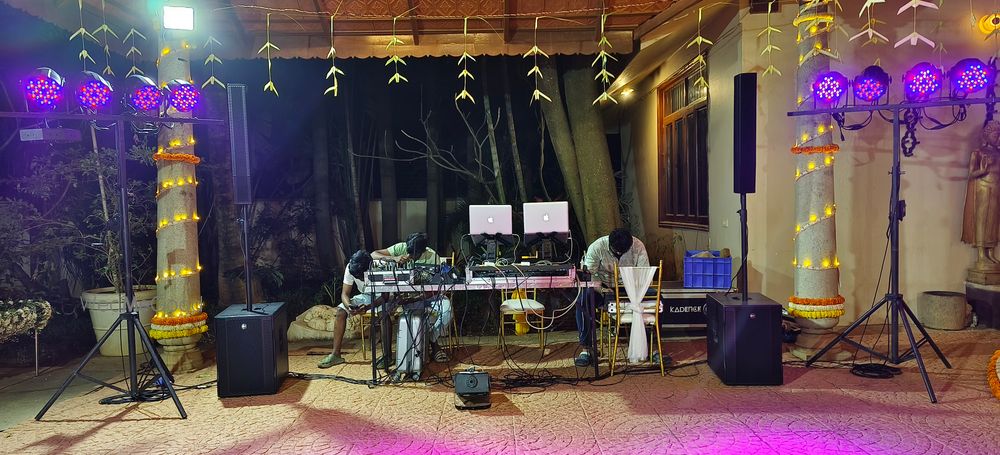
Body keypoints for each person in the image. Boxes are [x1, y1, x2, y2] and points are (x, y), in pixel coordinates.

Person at [372, 232, 453, 362]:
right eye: (409, 252)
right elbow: (374, 254)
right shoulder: (400, 248)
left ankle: (431, 339)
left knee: (447, 309)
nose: (410, 256)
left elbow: (437, 288)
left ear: (423, 251)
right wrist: (394, 258)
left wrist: (416, 298)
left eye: (414, 254)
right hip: (407, 297)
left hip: (429, 296)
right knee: (409, 313)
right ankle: (395, 355)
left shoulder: (432, 256)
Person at [574, 228, 649, 367]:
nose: (619, 254)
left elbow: (644, 273)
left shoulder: (638, 246)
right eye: (616, 252)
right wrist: (603, 289)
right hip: (603, 287)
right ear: (609, 244)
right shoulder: (597, 247)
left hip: (630, 288)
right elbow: (589, 275)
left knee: (658, 299)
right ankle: (586, 349)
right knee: (583, 300)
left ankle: (652, 347)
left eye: (623, 252)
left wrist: (636, 290)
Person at [318, 250, 376, 368]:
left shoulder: (379, 267)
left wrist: (368, 307)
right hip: (365, 296)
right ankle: (336, 355)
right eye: (357, 277)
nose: (360, 279)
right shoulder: (351, 267)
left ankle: (387, 356)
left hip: (380, 296)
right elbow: (345, 293)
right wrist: (349, 306)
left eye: (361, 276)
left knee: (384, 314)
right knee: (341, 312)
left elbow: (386, 297)